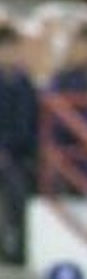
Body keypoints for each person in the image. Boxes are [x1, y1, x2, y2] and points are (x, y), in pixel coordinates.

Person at [0, 25, 37, 264]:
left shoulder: (25, 84)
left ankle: (15, 250)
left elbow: (29, 124)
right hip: (6, 153)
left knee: (18, 188)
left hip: (20, 155)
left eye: (13, 47)